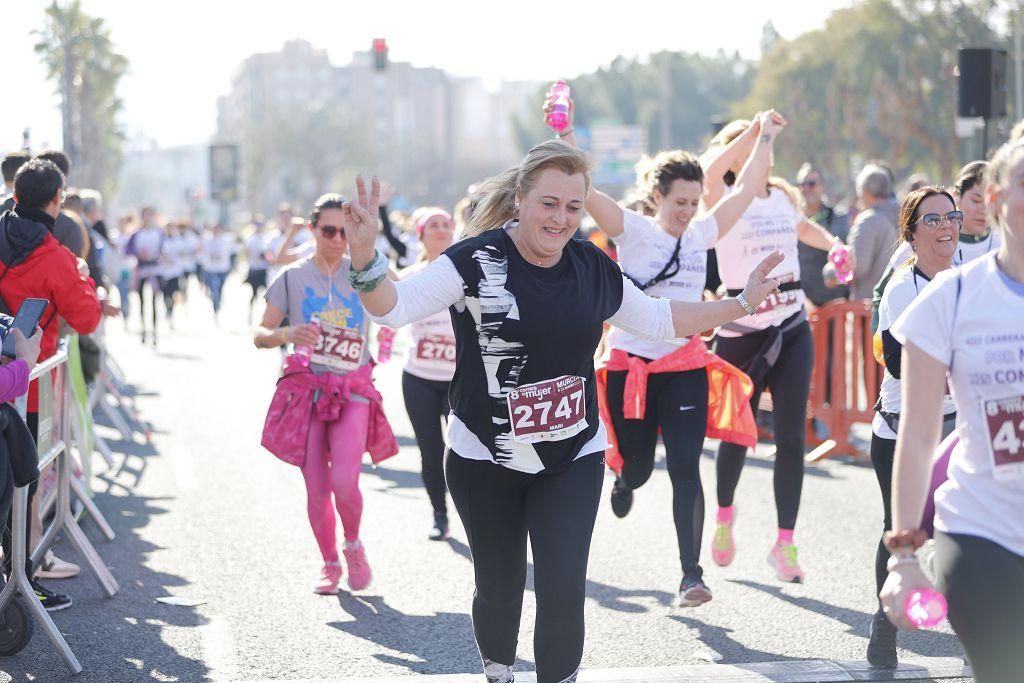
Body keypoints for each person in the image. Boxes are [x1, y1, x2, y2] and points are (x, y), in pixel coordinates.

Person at [343, 140, 784, 683]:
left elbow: (662, 318)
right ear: (522, 198)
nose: (561, 219)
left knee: (562, 585)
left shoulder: (592, 267)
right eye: (548, 204)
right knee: (500, 587)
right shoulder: (475, 260)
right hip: (485, 453)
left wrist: (739, 303)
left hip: (573, 451)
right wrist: (365, 260)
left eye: (573, 208)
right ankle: (500, 670)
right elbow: (395, 308)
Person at [555, 96, 782, 606]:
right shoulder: (631, 231)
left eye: (693, 202)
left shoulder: (702, 232)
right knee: (635, 466)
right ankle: (625, 480)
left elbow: (745, 188)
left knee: (685, 466)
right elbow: (584, 192)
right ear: (656, 196)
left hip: (684, 365)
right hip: (630, 369)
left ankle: (691, 575)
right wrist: (566, 138)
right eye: (678, 202)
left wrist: (764, 138)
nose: (686, 212)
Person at [880, 138, 1024, 683]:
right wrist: (902, 555)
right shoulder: (950, 299)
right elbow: (918, 437)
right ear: (990, 198)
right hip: (982, 529)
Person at [702, 118, 846, 583]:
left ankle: (785, 543)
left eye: (762, 148)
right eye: (745, 150)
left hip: (791, 327)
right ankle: (724, 517)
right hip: (742, 333)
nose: (759, 155)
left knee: (790, 438)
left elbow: (805, 228)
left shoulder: (783, 196)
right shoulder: (720, 201)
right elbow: (710, 171)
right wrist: (755, 134)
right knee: (738, 435)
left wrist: (836, 245)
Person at [254, 194, 390, 596]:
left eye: (344, 232)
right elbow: (259, 334)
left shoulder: (364, 272)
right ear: (312, 230)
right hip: (308, 391)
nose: (337, 239)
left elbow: (405, 296)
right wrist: (286, 334)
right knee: (317, 487)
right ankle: (329, 562)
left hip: (353, 388)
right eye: (329, 231)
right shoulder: (292, 278)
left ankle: (353, 544)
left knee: (346, 480)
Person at [0, 158, 102, 610]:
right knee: (20, 488)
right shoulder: (58, 260)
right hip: (26, 386)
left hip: (12, 379)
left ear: (14, 195)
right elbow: (86, 318)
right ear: (57, 201)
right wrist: (84, 279)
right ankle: (18, 584)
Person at [866, 187, 960, 668]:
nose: (946, 226)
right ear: (911, 233)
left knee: (965, 528)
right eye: (933, 220)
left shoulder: (968, 281)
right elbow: (903, 364)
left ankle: (975, 643)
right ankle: (884, 632)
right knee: (901, 530)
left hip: (956, 426)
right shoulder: (905, 287)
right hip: (901, 432)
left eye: (952, 216)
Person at [394, 207, 458, 540]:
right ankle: (439, 514)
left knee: (464, 451)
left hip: (459, 380)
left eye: (446, 224)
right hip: (419, 378)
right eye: (433, 225)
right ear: (420, 234)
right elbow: (388, 309)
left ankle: (474, 512)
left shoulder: (467, 272)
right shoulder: (411, 277)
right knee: (431, 450)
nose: (441, 229)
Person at [826, 164, 898, 301]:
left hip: (870, 308)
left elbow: (857, 266)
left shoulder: (868, 220)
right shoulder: (905, 215)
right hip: (900, 304)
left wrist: (830, 272)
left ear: (865, 191)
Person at [795, 163, 849, 307]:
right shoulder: (791, 219)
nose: (806, 189)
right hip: (800, 303)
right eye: (802, 184)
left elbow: (842, 246)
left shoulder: (837, 216)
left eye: (811, 184)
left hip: (831, 303)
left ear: (823, 187)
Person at [125, 207, 165, 345]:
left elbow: (164, 248)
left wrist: (157, 254)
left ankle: (154, 332)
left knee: (155, 301)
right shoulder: (137, 234)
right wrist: (138, 254)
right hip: (141, 269)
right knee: (142, 301)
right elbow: (128, 249)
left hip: (154, 268)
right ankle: (143, 329)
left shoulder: (158, 233)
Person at [201, 224, 235, 322]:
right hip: (211, 269)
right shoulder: (207, 239)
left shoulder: (226, 239)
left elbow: (233, 252)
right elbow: (201, 249)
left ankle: (218, 302)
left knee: (220, 288)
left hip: (223, 269)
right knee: (213, 288)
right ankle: (215, 306)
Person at [244, 219, 270, 323]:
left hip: (264, 270)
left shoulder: (266, 238)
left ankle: (268, 317)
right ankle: (250, 315)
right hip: (254, 269)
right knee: (254, 294)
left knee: (269, 295)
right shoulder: (250, 239)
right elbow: (246, 253)